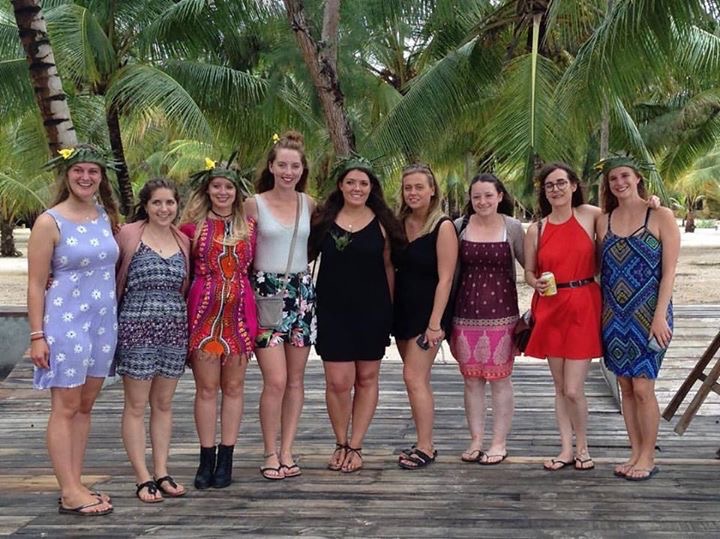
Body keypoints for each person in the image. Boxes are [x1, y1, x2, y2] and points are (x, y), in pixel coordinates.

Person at [27, 144, 119, 516]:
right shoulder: (49, 222)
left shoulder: (104, 216)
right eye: (79, 170)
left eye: (93, 171)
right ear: (66, 174)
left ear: (101, 177)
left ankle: (76, 482)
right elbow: (36, 284)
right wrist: (37, 335)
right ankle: (68, 491)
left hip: (102, 325)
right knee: (65, 407)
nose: (85, 177)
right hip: (66, 325)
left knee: (84, 406)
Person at [309, 158, 404, 473]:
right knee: (338, 382)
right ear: (340, 185)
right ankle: (340, 441)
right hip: (332, 310)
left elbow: (389, 268)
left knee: (366, 378)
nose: (357, 188)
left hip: (372, 311)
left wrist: (389, 312)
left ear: (371, 187)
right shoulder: (323, 220)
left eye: (363, 183)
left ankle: (356, 445)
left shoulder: (383, 223)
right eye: (351, 182)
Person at [596, 156, 679, 481]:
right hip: (614, 316)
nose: (619, 183)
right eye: (613, 178)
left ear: (637, 178)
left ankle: (648, 456)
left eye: (625, 176)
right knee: (625, 387)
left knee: (643, 387)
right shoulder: (603, 220)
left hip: (650, 314)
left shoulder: (660, 215)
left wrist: (660, 316)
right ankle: (634, 452)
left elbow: (669, 272)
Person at [179, 157, 256, 489]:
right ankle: (205, 458)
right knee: (207, 388)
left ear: (237, 192)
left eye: (228, 187)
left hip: (238, 316)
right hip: (204, 315)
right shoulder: (191, 228)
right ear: (207, 190)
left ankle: (227, 457)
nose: (223, 192)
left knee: (234, 388)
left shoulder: (250, 227)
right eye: (216, 186)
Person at [244, 132, 316, 480]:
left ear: (302, 170)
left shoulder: (309, 204)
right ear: (271, 167)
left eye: (295, 166)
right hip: (265, 293)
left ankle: (287, 449)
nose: (288, 172)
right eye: (282, 165)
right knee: (275, 380)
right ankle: (269, 451)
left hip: (301, 294)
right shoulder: (253, 204)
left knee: (295, 381)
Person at [115, 178, 190, 502]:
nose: (164, 208)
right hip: (136, 325)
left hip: (174, 326)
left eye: (169, 202)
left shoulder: (183, 239)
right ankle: (142, 476)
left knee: (163, 404)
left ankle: (161, 470)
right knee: (136, 405)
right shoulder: (128, 234)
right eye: (157, 202)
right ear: (145, 205)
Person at [523, 163, 602, 472]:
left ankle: (583, 447)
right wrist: (535, 283)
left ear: (573, 185)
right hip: (551, 306)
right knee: (559, 387)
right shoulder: (537, 229)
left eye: (560, 183)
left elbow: (625, 215)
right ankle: (566, 448)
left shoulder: (590, 215)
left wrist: (652, 204)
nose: (555, 189)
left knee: (573, 388)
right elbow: (529, 271)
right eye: (549, 185)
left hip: (583, 304)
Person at [450, 173, 525, 465]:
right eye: (476, 196)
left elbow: (531, 266)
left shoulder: (512, 227)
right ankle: (476, 440)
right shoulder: (459, 226)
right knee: (471, 380)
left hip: (502, 317)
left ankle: (498, 443)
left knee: (500, 380)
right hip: (465, 315)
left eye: (488, 196)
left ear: (500, 196)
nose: (482, 201)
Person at [394, 164, 457, 469]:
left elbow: (446, 279)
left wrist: (435, 324)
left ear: (432, 190)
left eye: (419, 187)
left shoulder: (442, 226)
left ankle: (426, 446)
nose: (413, 193)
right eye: (408, 187)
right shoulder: (399, 223)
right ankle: (423, 439)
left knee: (413, 377)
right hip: (402, 312)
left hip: (428, 315)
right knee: (416, 381)